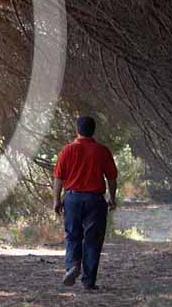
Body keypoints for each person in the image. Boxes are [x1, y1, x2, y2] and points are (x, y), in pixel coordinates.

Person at [53, 115, 118, 290]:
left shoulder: (67, 150)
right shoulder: (102, 151)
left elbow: (59, 178)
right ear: (93, 130)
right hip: (95, 200)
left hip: (72, 199)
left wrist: (56, 200)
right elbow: (111, 177)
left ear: (77, 130)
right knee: (93, 240)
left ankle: (72, 265)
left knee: (73, 235)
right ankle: (89, 281)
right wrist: (112, 197)